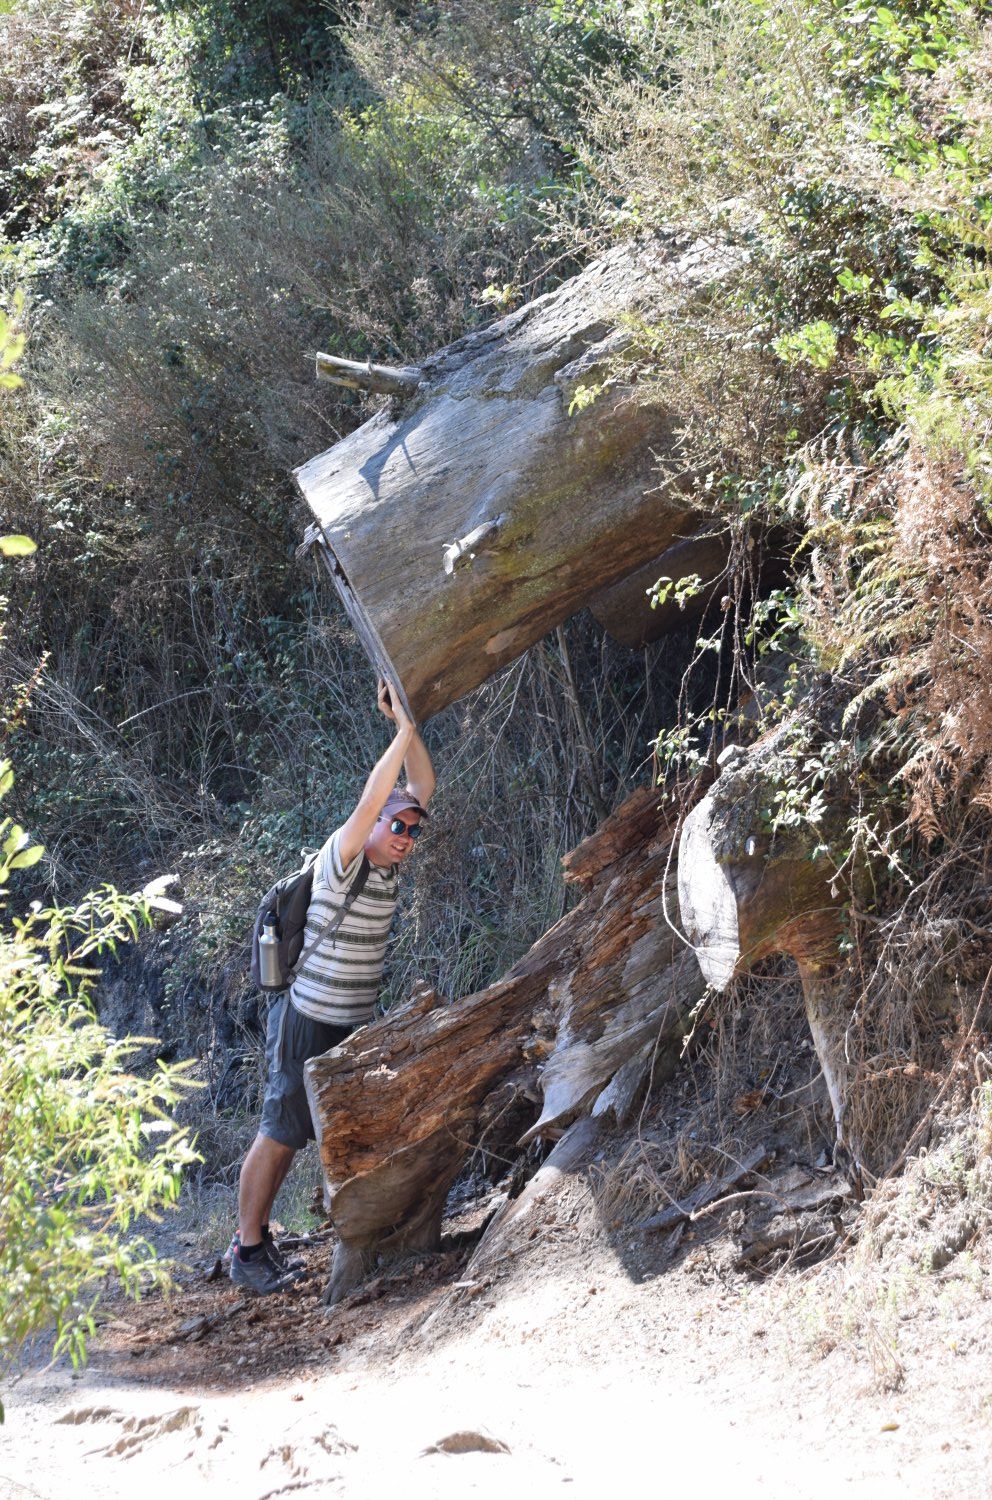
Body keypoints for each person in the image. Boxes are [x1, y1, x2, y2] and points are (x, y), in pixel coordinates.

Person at [230, 678, 435, 1294]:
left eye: (412, 831)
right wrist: (401, 731)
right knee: (280, 1131)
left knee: (330, 1131)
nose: (404, 837)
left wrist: (407, 726)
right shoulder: (342, 858)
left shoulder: (390, 869)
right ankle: (247, 1249)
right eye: (396, 826)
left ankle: (324, 1238)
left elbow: (421, 785)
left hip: (351, 1025)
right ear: (373, 824)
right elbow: (375, 798)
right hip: (306, 1021)